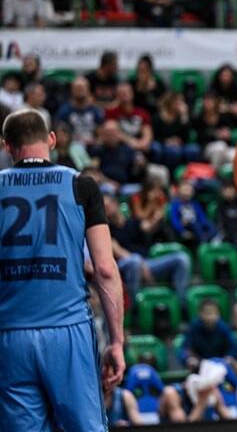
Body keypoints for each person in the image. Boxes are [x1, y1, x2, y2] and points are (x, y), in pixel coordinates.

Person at [0, 109, 125, 430]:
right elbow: (105, 270)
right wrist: (116, 342)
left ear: (6, 145)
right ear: (52, 139)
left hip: (10, 334)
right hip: (67, 329)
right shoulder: (81, 185)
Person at [180, 299, 237, 369]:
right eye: (207, 313)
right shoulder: (194, 328)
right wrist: (189, 358)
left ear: (219, 315)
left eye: (214, 313)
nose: (210, 317)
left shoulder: (223, 327)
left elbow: (233, 346)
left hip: (221, 363)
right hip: (199, 364)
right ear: (200, 313)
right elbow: (185, 348)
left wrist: (230, 357)